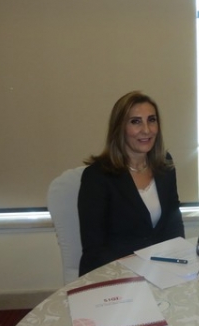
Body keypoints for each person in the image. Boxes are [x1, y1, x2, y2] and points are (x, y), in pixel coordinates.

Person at [78, 91, 185, 276]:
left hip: (160, 270)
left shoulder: (164, 164)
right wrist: (141, 268)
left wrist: (178, 259)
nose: (147, 130)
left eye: (151, 120)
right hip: (113, 274)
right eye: (136, 122)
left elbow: (173, 223)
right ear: (119, 128)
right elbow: (94, 249)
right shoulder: (97, 177)